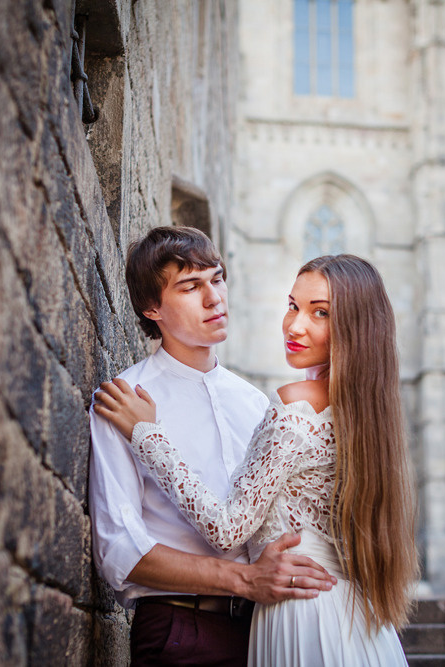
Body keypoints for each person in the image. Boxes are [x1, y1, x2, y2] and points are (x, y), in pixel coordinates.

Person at [95, 254, 419, 666]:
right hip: (349, 618)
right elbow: (118, 545)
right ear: (151, 308)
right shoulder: (367, 414)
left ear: (355, 328)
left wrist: (147, 435)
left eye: (320, 313)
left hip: (303, 615)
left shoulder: (289, 406)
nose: (295, 325)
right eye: (293, 306)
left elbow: (228, 529)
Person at [88, 226, 336, 667]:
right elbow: (120, 550)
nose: (214, 298)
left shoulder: (259, 403)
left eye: (217, 279)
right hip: (185, 630)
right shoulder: (127, 400)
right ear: (152, 308)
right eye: (190, 286)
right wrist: (244, 580)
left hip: (272, 630)